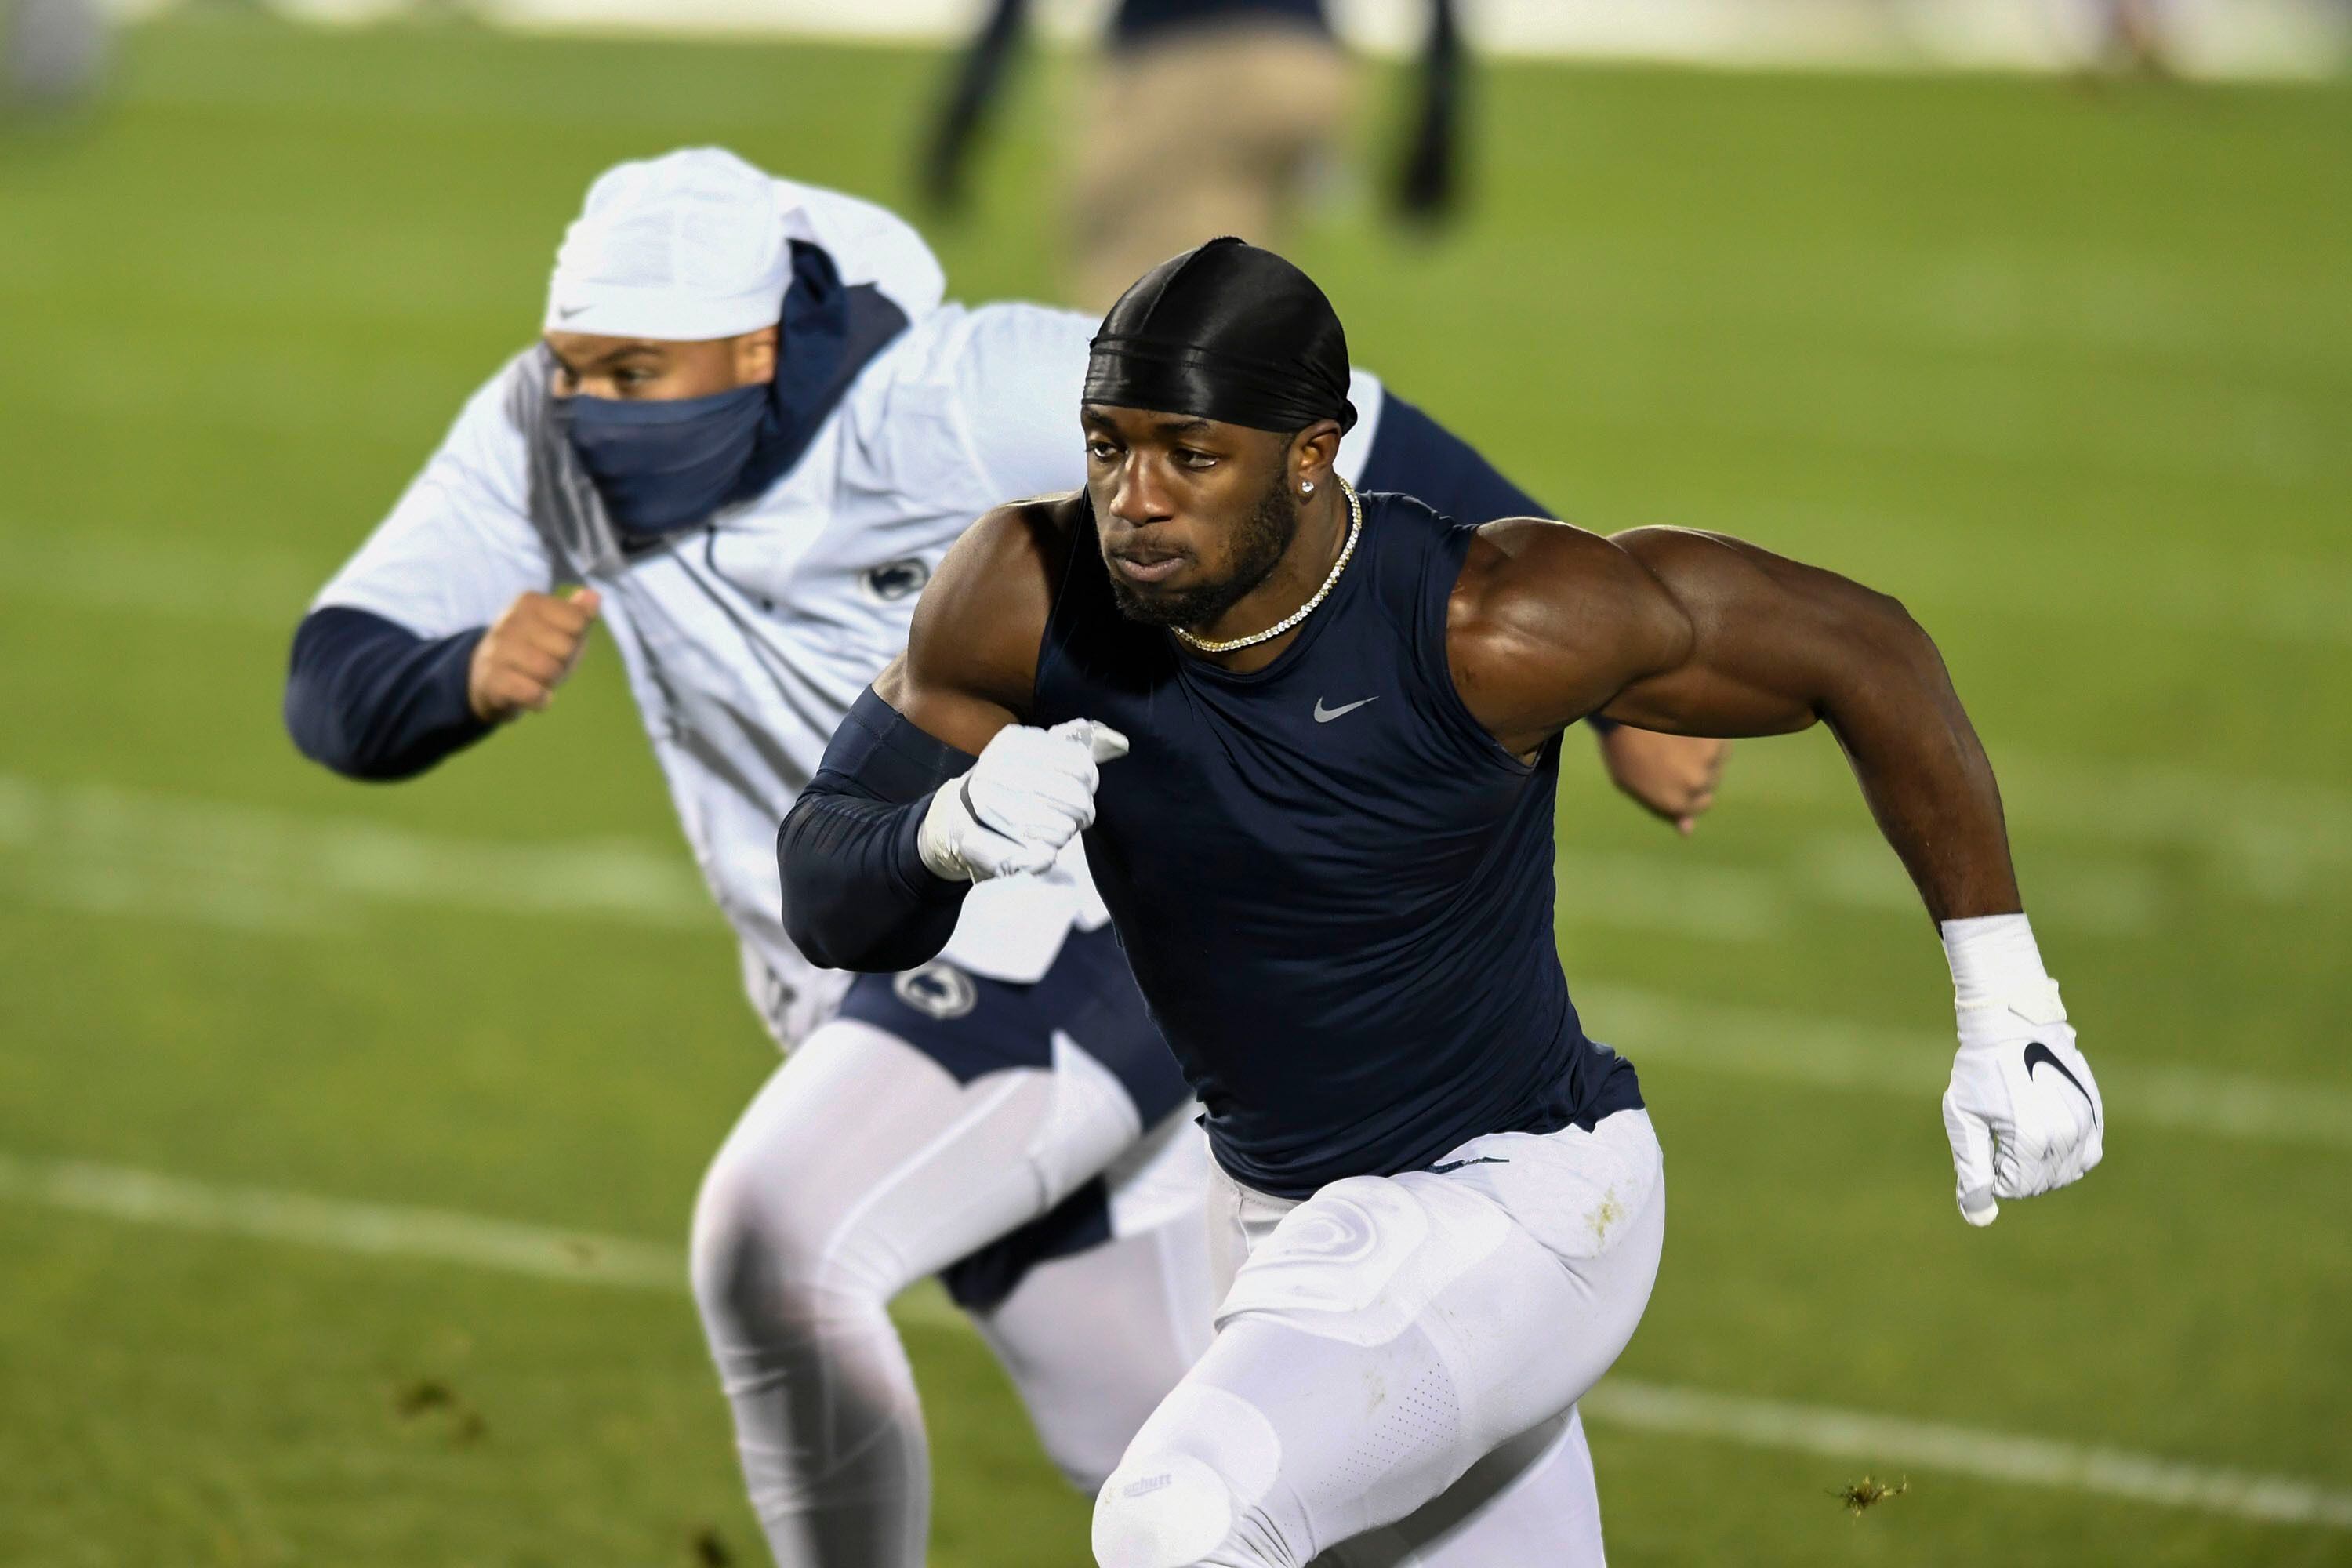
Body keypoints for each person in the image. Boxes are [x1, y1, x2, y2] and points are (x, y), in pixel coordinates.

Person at [284, 152, 1726, 1567]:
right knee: (1185, 1457)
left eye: (633, 375)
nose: (585, 410)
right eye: (570, 369)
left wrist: (1610, 695)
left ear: (757, 344)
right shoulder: (538, 424)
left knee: (777, 1239)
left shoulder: (957, 396)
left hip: (1084, 928)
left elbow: (1376, 453)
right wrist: (459, 679)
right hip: (860, 948)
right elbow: (332, 681)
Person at [776, 238, 2107, 1566]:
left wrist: (2009, 1004)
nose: (1135, 498)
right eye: (1107, 445)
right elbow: (832, 898)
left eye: (1190, 453)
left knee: (1179, 1521)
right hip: (1271, 1216)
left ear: (1311, 454)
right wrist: (939, 837)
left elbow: (1861, 645)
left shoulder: (1493, 621)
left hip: (1515, 1198)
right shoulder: (1023, 588)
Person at [923, 0, 1465, 312]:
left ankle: (1154, 505)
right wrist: (1437, 117)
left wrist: (965, 110)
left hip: (1187, 61)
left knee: (1144, 316)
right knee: (1234, 307)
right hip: (1309, 67)